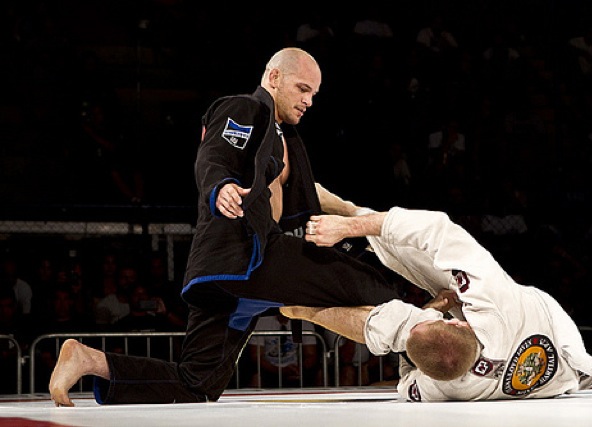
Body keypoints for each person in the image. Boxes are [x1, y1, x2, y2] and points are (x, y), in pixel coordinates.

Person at [48, 47, 400, 407]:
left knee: (197, 384)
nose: (309, 101)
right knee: (366, 282)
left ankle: (87, 360)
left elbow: (311, 199)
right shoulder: (245, 109)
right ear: (274, 77)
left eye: (314, 94)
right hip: (246, 255)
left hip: (227, 276)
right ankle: (426, 328)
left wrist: (368, 225)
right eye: (302, 89)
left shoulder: (285, 138)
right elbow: (214, 155)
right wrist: (221, 188)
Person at [281, 198, 592, 401]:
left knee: (398, 329)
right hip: (551, 332)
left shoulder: (447, 386)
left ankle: (299, 306)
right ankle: (341, 214)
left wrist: (431, 309)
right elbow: (436, 228)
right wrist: (348, 227)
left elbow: (417, 362)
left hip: (546, 358)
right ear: (461, 324)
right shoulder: (491, 298)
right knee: (395, 249)